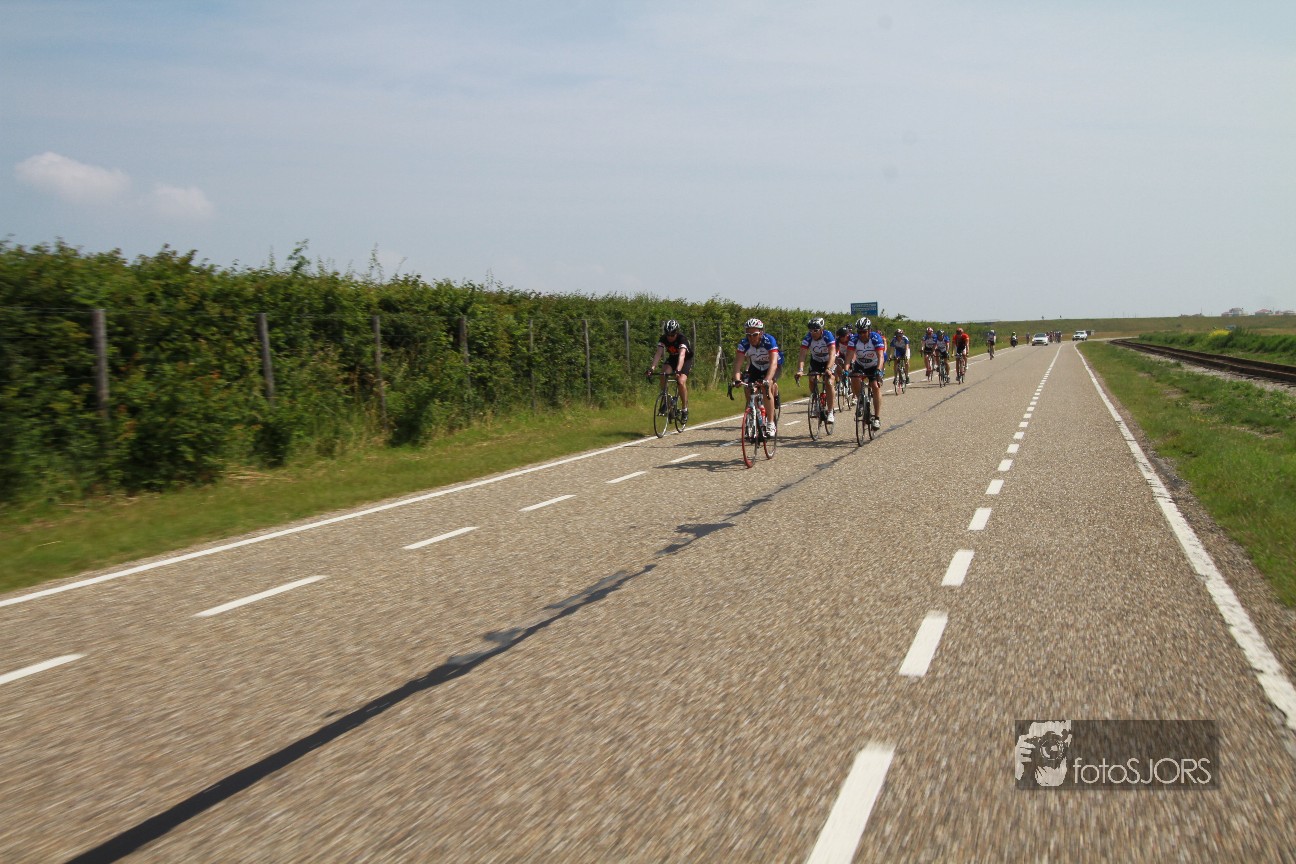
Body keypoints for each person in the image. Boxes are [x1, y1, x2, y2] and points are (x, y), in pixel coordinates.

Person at [732, 317, 782, 436]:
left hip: (772, 367)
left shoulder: (769, 341)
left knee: (766, 387)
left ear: (761, 333)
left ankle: (770, 423)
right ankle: (753, 413)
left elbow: (773, 364)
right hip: (756, 367)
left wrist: (767, 380)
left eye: (754, 334)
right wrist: (737, 379)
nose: (751, 338)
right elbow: (737, 365)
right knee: (748, 387)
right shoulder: (744, 343)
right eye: (748, 335)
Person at [646, 319, 692, 425]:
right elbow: (658, 354)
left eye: (672, 335)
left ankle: (684, 409)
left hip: (685, 360)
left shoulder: (682, 339)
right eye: (668, 335)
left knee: (680, 381)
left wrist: (678, 370)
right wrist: (652, 368)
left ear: (677, 333)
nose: (670, 337)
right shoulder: (663, 338)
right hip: (672, 359)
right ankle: (666, 400)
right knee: (663, 374)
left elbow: (682, 355)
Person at [845, 317, 885, 429]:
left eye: (864, 331)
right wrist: (845, 370)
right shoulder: (854, 339)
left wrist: (878, 370)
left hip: (874, 365)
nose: (861, 334)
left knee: (875, 386)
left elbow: (880, 356)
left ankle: (877, 418)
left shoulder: (875, 338)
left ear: (869, 330)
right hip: (860, 365)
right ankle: (861, 401)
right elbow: (848, 357)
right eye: (859, 332)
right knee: (854, 377)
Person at [795, 317, 837, 424]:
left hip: (829, 361)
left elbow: (832, 353)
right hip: (816, 361)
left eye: (815, 330)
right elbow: (802, 355)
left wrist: (828, 368)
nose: (813, 333)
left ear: (821, 329)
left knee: (829, 382)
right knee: (812, 379)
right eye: (810, 330)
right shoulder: (808, 338)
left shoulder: (828, 336)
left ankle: (830, 411)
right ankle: (815, 401)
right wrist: (800, 370)